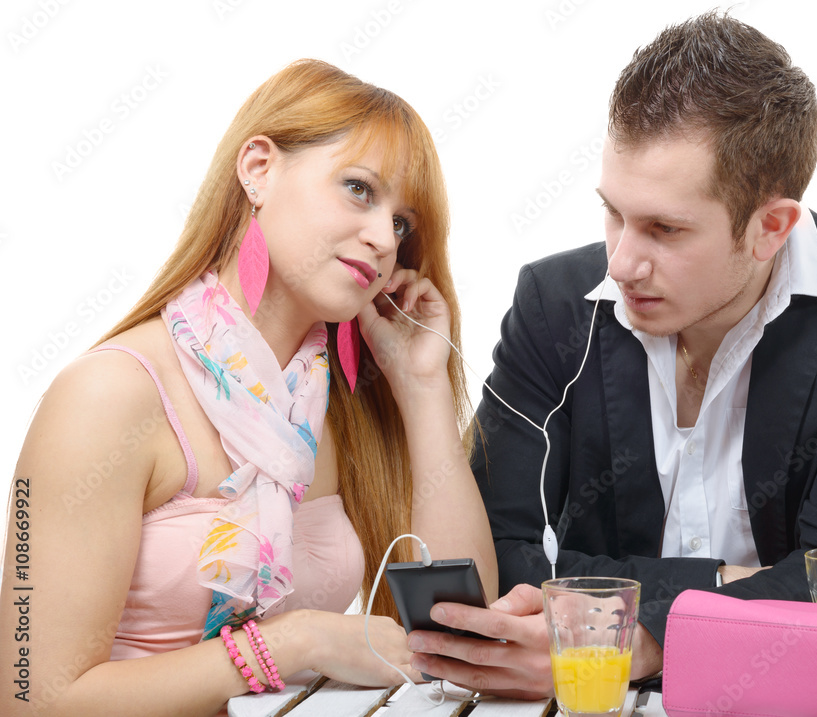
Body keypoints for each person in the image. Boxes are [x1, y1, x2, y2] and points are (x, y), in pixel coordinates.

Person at [403, 11, 817, 697]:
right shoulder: (553, 303)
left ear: (770, 228)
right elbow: (499, 557)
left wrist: (639, 639)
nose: (621, 263)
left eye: (664, 228)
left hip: (796, 695)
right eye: (614, 213)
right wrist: (729, 583)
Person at [0, 59, 497, 716]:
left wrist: (423, 385)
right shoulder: (109, 393)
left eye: (402, 222)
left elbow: (461, 637)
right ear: (259, 168)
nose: (384, 238)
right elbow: (28, 699)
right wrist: (294, 642)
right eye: (358, 189)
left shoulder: (332, 404)